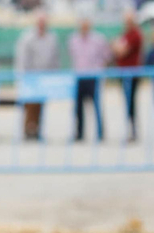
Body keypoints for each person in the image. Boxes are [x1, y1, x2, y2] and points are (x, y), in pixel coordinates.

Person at [13, 12, 61, 140]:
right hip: (30, 78)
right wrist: (23, 77)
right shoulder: (27, 38)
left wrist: (53, 76)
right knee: (29, 106)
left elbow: (55, 58)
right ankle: (28, 131)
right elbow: (22, 59)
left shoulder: (51, 38)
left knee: (40, 105)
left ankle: (37, 130)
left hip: (44, 78)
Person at [67, 16, 110, 141]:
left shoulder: (98, 39)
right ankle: (79, 133)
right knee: (78, 107)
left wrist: (99, 67)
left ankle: (100, 132)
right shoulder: (73, 40)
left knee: (96, 105)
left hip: (93, 76)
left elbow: (106, 55)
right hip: (79, 77)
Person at [112, 9, 145, 143]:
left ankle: (133, 131)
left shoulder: (135, 35)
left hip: (132, 73)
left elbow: (120, 51)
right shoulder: (126, 34)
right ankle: (130, 129)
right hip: (123, 73)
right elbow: (116, 49)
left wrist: (116, 46)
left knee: (131, 103)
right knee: (128, 103)